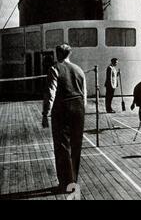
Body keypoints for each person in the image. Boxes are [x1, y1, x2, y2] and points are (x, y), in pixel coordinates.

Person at [42, 44, 87, 193]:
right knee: (76, 145)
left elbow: (51, 94)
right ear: (70, 53)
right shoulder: (79, 70)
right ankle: (73, 181)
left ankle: (65, 184)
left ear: (58, 54)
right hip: (79, 108)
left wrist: (45, 114)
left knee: (62, 147)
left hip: (63, 108)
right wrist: (81, 110)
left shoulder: (54, 69)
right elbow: (84, 94)